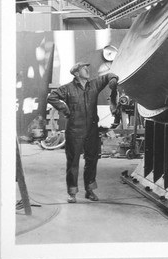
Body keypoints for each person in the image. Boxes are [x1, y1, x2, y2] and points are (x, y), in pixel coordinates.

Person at [47, 62, 118, 203]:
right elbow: (51, 97)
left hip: (92, 129)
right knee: (73, 162)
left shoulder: (94, 85)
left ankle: (89, 190)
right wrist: (65, 109)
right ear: (77, 73)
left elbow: (108, 76)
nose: (87, 70)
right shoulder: (67, 89)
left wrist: (113, 79)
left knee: (92, 159)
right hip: (75, 130)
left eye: (87, 68)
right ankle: (72, 193)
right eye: (84, 69)